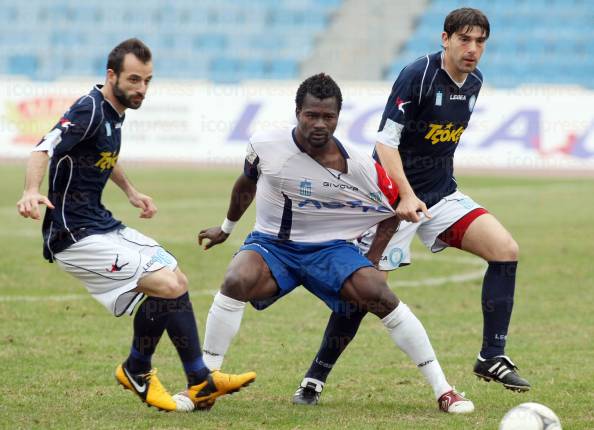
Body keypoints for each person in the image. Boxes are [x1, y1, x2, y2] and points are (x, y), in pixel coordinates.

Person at [292, 8, 530, 406]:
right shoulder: (417, 75)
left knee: (505, 250)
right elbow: (385, 144)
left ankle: (492, 356)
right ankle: (314, 378)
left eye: (480, 42)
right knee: (365, 291)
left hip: (441, 196)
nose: (473, 49)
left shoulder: (475, 82)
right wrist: (403, 195)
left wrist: (428, 190)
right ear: (445, 39)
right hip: (391, 200)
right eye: (465, 40)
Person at [197, 73, 474, 414]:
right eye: (311, 115)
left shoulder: (358, 166)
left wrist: (372, 259)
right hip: (273, 245)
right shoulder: (264, 144)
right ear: (297, 112)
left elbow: (392, 211)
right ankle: (204, 382)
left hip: (330, 250)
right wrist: (226, 228)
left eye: (327, 117)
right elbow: (245, 185)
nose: (319, 124)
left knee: (380, 294)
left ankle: (444, 390)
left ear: (338, 117)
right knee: (236, 279)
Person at [16, 38, 255, 412]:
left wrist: (131, 191)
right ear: (111, 75)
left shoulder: (115, 111)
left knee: (175, 277)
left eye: (147, 80)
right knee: (163, 283)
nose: (141, 88)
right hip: (72, 234)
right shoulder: (88, 109)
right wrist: (31, 191)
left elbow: (103, 155)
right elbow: (43, 146)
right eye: (133, 80)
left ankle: (179, 376)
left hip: (100, 223)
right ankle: (168, 375)